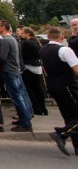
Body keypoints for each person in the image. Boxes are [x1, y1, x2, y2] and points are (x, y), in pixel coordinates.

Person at [40, 27, 78, 156]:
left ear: (48, 37)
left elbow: (45, 70)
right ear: (62, 37)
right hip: (66, 85)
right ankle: (61, 134)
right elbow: (76, 67)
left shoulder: (43, 50)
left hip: (52, 84)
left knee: (69, 115)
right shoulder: (64, 50)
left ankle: (76, 146)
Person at [0, 19, 33, 132]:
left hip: (9, 71)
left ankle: (25, 123)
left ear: (3, 27)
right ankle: (25, 117)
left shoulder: (5, 40)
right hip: (15, 70)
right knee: (22, 95)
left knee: (17, 97)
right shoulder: (13, 39)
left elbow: (2, 58)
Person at [18, 27, 48, 116]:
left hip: (28, 66)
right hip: (37, 66)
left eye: (22, 33)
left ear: (27, 34)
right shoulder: (36, 42)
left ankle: (36, 108)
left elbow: (22, 55)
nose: (21, 35)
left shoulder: (26, 43)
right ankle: (43, 108)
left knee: (28, 88)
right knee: (37, 87)